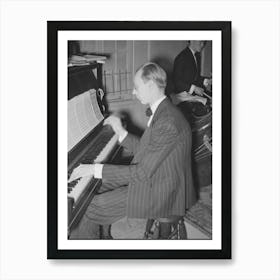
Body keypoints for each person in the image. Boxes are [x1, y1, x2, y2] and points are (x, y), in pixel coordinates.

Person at [68, 62, 197, 239]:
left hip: (164, 192)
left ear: (151, 85)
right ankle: (104, 236)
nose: (133, 92)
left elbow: (142, 172)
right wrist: (120, 132)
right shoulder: (164, 110)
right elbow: (148, 150)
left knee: (88, 204)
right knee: (98, 184)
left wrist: (93, 169)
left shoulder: (168, 121)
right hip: (159, 178)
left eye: (136, 87)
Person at [173, 41, 211, 121]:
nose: (203, 45)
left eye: (204, 42)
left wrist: (207, 81)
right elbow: (177, 82)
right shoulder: (181, 57)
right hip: (182, 95)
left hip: (191, 94)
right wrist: (194, 88)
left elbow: (195, 78)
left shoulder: (197, 56)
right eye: (201, 42)